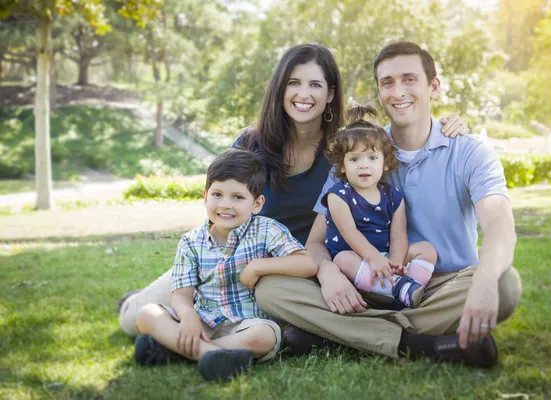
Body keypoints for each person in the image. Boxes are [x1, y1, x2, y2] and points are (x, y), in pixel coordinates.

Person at [117, 43, 468, 342]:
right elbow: (219, 216)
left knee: (268, 311)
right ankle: (139, 304)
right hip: (238, 261)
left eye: (315, 84)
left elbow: (398, 136)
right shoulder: (250, 145)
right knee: (133, 321)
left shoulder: (344, 150)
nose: (304, 94)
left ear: (330, 94)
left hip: (307, 270)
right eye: (294, 83)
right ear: (280, 88)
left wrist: (451, 123)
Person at [254, 41, 522, 367]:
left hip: (439, 287)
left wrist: (483, 282)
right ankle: (422, 344)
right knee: (270, 288)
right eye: (387, 83)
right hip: (365, 284)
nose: (398, 92)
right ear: (379, 92)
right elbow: (316, 241)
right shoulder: (358, 151)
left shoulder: (469, 151)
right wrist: (328, 273)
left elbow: (499, 224)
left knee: (504, 284)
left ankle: (340, 332)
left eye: (409, 79)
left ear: (433, 86)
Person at [133, 149, 317, 381]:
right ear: (205, 197)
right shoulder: (191, 242)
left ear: (257, 203)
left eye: (237, 197)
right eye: (217, 194)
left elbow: (307, 263)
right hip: (202, 321)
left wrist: (259, 266)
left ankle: (177, 352)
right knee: (147, 314)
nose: (225, 205)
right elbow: (181, 294)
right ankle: (213, 355)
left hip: (245, 325)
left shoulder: (267, 230)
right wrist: (188, 316)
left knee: (267, 335)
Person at [323, 104, 437, 310]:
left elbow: (398, 235)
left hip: (383, 257)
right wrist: (373, 258)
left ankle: (407, 289)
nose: (364, 165)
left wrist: (394, 263)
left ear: (385, 163)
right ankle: (397, 292)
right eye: (354, 159)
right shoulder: (338, 195)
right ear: (342, 165)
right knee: (342, 259)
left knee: (427, 250)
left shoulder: (392, 195)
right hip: (355, 259)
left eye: (373, 158)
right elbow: (348, 232)